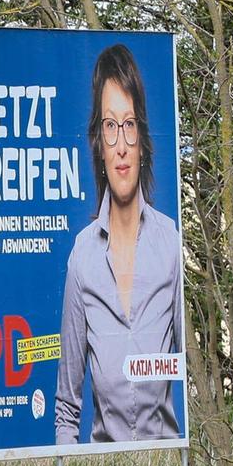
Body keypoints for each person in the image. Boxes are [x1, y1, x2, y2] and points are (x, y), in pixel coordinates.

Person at [55, 43, 184, 444]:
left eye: (129, 124)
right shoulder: (82, 256)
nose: (122, 144)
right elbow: (65, 409)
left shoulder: (170, 245)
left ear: (142, 140)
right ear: (98, 143)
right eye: (110, 127)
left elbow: (192, 378)